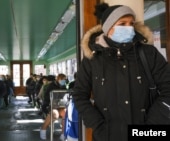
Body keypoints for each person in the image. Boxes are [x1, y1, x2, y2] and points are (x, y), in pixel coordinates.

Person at [73, 3, 170, 141]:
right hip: (107, 136)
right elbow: (79, 95)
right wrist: (98, 126)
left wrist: (152, 125)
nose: (129, 28)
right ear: (108, 28)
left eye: (131, 23)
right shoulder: (92, 59)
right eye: (122, 23)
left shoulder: (148, 53)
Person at [40, 73, 67, 140]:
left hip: (61, 105)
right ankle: (43, 128)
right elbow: (46, 97)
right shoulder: (51, 86)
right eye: (63, 79)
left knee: (65, 113)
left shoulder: (64, 86)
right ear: (59, 79)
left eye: (64, 80)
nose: (64, 81)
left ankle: (63, 133)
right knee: (55, 114)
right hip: (50, 104)